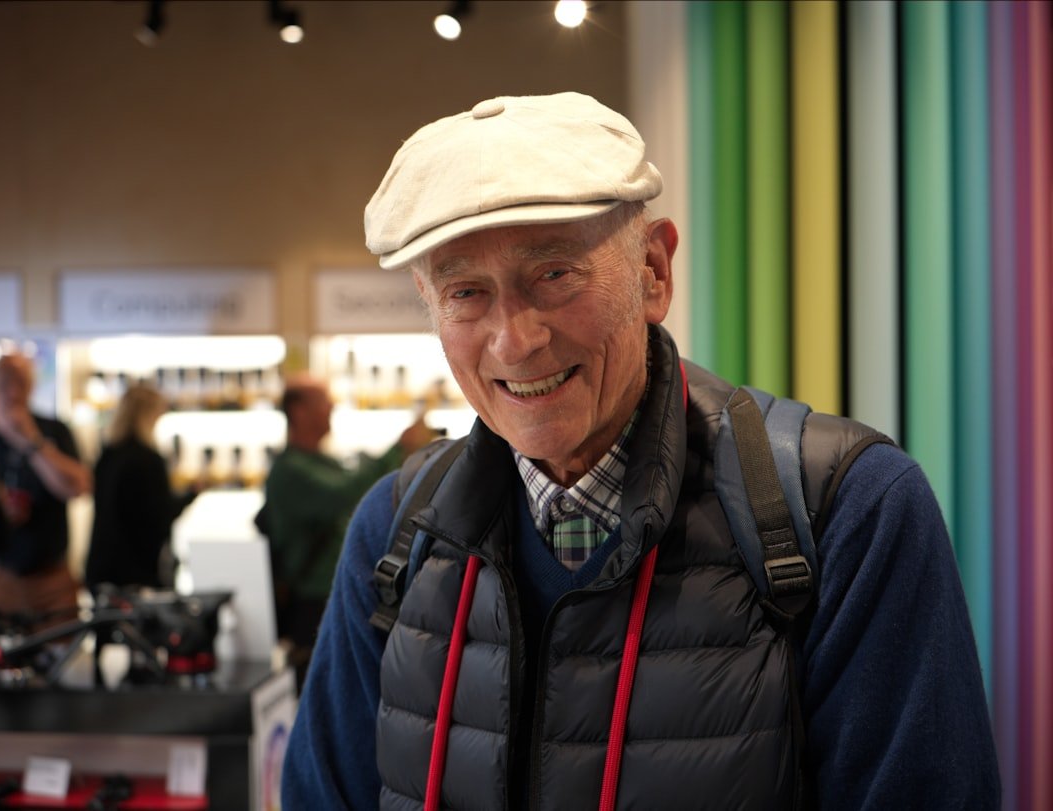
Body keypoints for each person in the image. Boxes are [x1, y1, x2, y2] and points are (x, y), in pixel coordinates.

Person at [281, 93, 999, 809]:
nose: (514, 339)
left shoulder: (846, 512)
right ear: (430, 303)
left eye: (555, 274)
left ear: (654, 270)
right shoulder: (396, 534)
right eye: (466, 292)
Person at [256, 374, 439, 685]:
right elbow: (346, 492)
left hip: (334, 594)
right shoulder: (289, 471)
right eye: (323, 402)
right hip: (313, 605)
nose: (331, 408)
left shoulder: (320, 461)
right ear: (299, 411)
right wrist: (400, 447)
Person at [0, 352, 92, 633]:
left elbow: (78, 487)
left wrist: (30, 440)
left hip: (51, 579)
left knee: (59, 665)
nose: (13, 392)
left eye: (20, 383)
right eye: (5, 383)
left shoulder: (54, 431)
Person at [84, 384, 198, 594]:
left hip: (102, 567)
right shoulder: (148, 460)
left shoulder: (107, 456)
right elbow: (160, 517)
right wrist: (191, 495)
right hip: (136, 573)